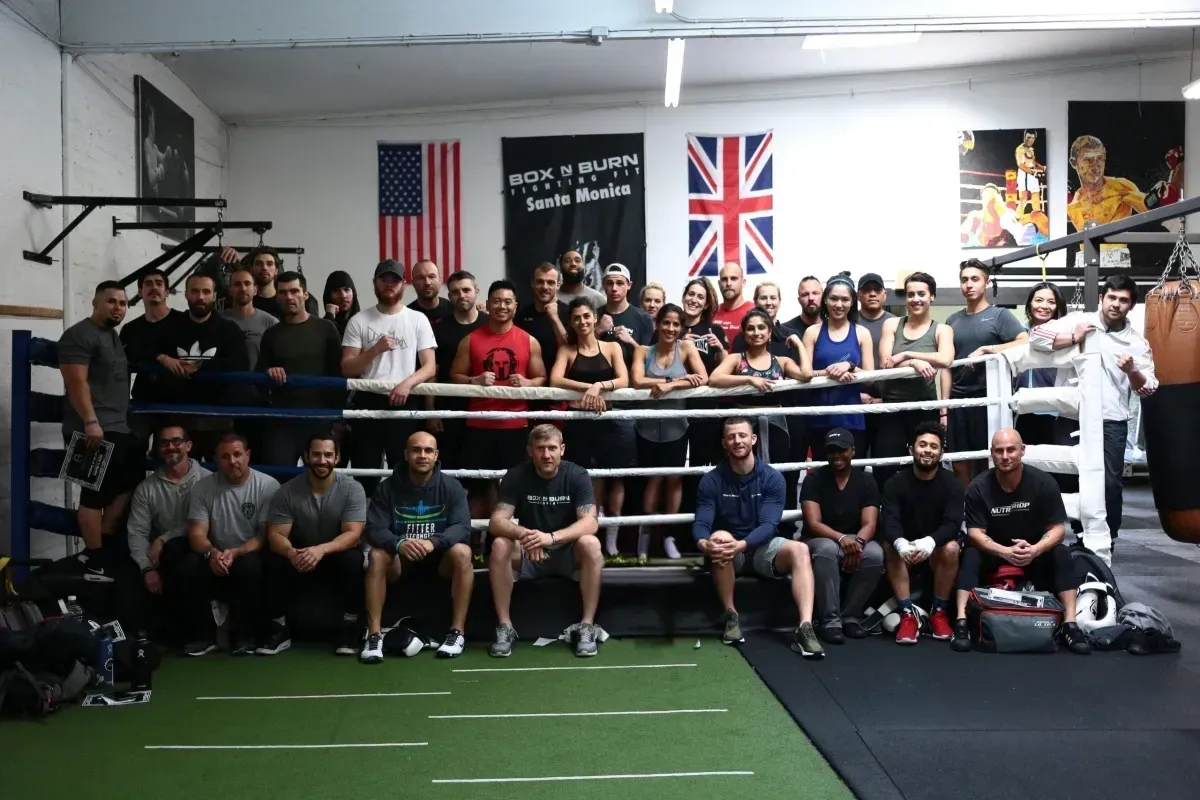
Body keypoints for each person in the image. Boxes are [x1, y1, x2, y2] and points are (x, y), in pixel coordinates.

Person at [1030, 273, 1157, 545]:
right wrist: (1071, 337)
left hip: (1110, 420)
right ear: (1101, 298)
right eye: (1111, 297)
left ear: (1131, 306)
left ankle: (1107, 538)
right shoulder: (1078, 321)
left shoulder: (1136, 342)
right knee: (1066, 477)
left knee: (1109, 483)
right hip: (1071, 416)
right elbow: (1036, 336)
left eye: (1123, 300)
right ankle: (1079, 534)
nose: (1116, 304)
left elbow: (1148, 388)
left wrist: (1132, 371)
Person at [951, 429, 1092, 655]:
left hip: (1033, 555)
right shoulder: (978, 486)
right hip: (995, 554)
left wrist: (1036, 549)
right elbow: (975, 533)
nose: (1005, 456)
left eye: (1011, 450)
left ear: (1022, 450)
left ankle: (1070, 624)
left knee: (1062, 553)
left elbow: (1057, 529)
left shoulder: (1043, 482)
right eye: (999, 451)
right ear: (992, 454)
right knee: (970, 553)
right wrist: (1005, 552)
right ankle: (961, 623)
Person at [692, 417, 824, 659]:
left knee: (800, 550)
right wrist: (704, 544)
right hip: (730, 555)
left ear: (753, 439)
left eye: (742, 435)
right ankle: (731, 616)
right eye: (731, 437)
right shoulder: (711, 480)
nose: (737, 441)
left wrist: (741, 545)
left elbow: (769, 524)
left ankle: (805, 627)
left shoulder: (773, 478)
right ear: (724, 443)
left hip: (763, 548)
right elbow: (701, 523)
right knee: (719, 538)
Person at [487, 425, 603, 658]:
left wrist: (550, 538)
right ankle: (504, 627)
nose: (547, 455)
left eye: (552, 448)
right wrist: (528, 537)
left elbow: (591, 523)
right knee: (500, 544)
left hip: (566, 551)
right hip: (529, 552)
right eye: (540, 449)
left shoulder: (577, 475)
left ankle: (587, 625)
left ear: (562, 449)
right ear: (530, 451)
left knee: (591, 543)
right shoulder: (517, 475)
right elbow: (496, 521)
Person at [362, 432, 474, 663]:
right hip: (400, 562)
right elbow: (374, 529)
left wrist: (433, 542)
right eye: (416, 450)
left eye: (428, 451)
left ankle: (457, 633)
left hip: (439, 560)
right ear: (406, 454)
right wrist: (399, 542)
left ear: (436, 456)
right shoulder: (387, 488)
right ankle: (373, 636)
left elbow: (462, 527)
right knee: (376, 555)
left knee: (463, 552)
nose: (422, 455)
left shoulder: (451, 487)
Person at [58, 281, 145, 571]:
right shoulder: (78, 335)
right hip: (89, 429)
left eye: (122, 303)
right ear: (95, 303)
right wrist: (90, 421)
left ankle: (101, 547)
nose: (118, 308)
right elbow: (75, 381)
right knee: (93, 497)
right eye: (111, 302)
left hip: (120, 428)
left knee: (129, 486)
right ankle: (95, 559)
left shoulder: (114, 337)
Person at [262, 433, 367, 657]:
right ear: (306, 457)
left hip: (333, 555)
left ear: (337, 458)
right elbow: (276, 535)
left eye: (328, 455)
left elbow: (353, 534)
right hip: (300, 556)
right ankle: (279, 629)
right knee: (273, 558)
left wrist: (320, 550)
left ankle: (349, 627)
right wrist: (291, 553)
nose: (322, 460)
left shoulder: (352, 489)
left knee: (354, 557)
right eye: (316, 454)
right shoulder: (287, 491)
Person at [451, 279, 547, 521]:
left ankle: (505, 546)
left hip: (514, 426)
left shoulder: (528, 340)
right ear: (487, 304)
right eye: (496, 301)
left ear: (515, 306)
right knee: (477, 489)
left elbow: (542, 378)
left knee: (513, 489)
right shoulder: (471, 340)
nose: (501, 306)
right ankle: (475, 546)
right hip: (479, 426)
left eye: (507, 302)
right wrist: (475, 380)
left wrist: (528, 383)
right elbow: (455, 376)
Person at [341, 259, 438, 496]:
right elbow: (347, 368)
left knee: (404, 467)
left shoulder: (417, 319)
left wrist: (406, 384)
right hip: (368, 401)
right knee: (365, 469)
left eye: (395, 280)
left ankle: (402, 523)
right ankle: (364, 526)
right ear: (375, 283)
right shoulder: (359, 320)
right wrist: (374, 350)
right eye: (384, 279)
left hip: (404, 400)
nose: (389, 284)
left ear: (403, 284)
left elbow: (430, 366)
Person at [181, 433, 280, 656]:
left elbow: (264, 536)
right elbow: (197, 533)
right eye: (225, 456)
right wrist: (212, 553)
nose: (232, 461)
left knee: (251, 566)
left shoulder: (268, 485)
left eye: (237, 454)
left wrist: (235, 553)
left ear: (248, 455)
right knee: (189, 564)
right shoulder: (203, 488)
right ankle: (203, 636)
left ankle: (244, 637)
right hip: (216, 551)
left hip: (249, 551)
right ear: (216, 459)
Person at [550, 297, 632, 558]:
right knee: (586, 480)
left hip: (608, 421)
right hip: (578, 423)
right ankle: (588, 536)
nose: (582, 322)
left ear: (595, 318)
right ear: (571, 323)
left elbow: (623, 379)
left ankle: (612, 540)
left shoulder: (611, 348)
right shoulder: (567, 350)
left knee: (615, 479)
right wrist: (589, 387)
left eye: (586, 316)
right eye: (577, 318)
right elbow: (555, 379)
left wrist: (601, 386)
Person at [632, 303, 708, 561]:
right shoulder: (644, 350)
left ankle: (669, 536)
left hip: (677, 427)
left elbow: (703, 377)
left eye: (676, 324)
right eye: (667, 323)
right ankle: (645, 538)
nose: (671, 328)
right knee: (652, 480)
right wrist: (670, 383)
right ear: (658, 324)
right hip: (647, 428)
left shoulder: (686, 347)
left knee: (673, 480)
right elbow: (637, 380)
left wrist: (672, 385)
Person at [879, 421, 964, 645]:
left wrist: (931, 541)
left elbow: (953, 523)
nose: (927, 450)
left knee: (952, 547)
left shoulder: (952, 484)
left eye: (934, 446)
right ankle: (908, 614)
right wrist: (901, 543)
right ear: (911, 449)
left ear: (941, 452)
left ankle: (939, 612)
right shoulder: (895, 483)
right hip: (905, 553)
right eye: (922, 445)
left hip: (935, 551)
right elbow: (889, 519)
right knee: (889, 546)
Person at [946, 259, 1027, 484]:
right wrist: (944, 406)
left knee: (986, 459)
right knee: (959, 461)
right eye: (964, 280)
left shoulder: (1000, 316)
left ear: (986, 283)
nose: (969, 285)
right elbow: (946, 365)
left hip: (989, 399)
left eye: (975, 279)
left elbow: (1024, 341)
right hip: (958, 400)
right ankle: (964, 511)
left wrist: (987, 349)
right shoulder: (952, 320)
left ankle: (985, 509)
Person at [124, 423, 211, 633]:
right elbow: (137, 532)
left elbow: (199, 525)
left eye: (177, 441)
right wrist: (147, 569)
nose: (170, 446)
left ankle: (192, 633)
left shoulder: (209, 481)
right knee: (126, 575)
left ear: (188, 445)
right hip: (160, 556)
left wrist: (163, 539)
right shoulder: (146, 488)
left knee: (183, 560)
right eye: (164, 442)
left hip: (203, 548)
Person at [153, 272, 251, 459]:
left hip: (218, 417)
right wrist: (163, 358)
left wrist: (200, 367)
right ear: (186, 294)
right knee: (180, 475)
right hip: (179, 417)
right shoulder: (169, 328)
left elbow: (240, 363)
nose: (200, 297)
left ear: (214, 296)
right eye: (195, 291)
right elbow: (142, 350)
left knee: (219, 475)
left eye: (206, 292)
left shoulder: (228, 329)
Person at [801, 428, 883, 644]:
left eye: (842, 450)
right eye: (831, 451)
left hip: (855, 539)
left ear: (853, 451)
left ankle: (850, 616)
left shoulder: (866, 480)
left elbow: (870, 522)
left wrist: (857, 542)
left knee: (875, 554)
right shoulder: (814, 479)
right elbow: (813, 523)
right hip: (822, 538)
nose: (837, 456)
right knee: (826, 550)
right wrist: (841, 539)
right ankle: (830, 621)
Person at [874, 272, 955, 489]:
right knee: (885, 467)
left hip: (924, 407)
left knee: (924, 468)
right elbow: (885, 363)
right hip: (892, 408)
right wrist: (914, 364)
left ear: (932, 297)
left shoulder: (942, 329)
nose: (916, 299)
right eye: (911, 294)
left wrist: (908, 355)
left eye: (921, 293)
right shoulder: (892, 325)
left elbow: (946, 359)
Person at [257, 271, 344, 466]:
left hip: (319, 417)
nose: (289, 297)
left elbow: (337, 374)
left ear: (305, 294)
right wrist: (269, 371)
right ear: (277, 296)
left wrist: (336, 418)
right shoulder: (271, 334)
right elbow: (260, 374)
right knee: (279, 476)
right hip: (283, 419)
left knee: (319, 477)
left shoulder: (326, 329)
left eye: (294, 291)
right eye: (283, 292)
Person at [709, 309, 812, 467]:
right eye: (750, 328)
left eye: (761, 327)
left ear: (770, 332)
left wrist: (798, 343)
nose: (756, 332)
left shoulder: (782, 361)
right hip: (743, 426)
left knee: (776, 469)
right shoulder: (736, 358)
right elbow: (714, 379)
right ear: (744, 334)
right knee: (742, 469)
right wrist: (749, 379)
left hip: (776, 424)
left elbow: (806, 374)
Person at [802, 274, 874, 456]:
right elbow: (804, 373)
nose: (838, 304)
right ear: (825, 299)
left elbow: (871, 379)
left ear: (852, 302)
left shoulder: (862, 333)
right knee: (822, 473)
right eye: (834, 298)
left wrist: (849, 366)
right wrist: (831, 373)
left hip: (850, 415)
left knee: (852, 473)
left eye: (844, 299)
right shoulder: (812, 332)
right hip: (819, 415)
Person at [429, 270, 488, 469]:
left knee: (482, 470)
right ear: (449, 296)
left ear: (477, 291)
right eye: (455, 291)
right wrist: (430, 411)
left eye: (466, 290)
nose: (461, 295)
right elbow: (432, 372)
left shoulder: (490, 324)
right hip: (449, 405)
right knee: (449, 465)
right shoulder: (438, 328)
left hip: (484, 407)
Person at [678, 277, 728, 471]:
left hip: (704, 405)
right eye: (691, 294)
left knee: (702, 463)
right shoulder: (671, 326)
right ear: (683, 297)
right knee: (674, 465)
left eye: (700, 297)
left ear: (706, 303)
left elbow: (725, 369)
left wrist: (720, 349)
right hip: (675, 404)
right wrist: (680, 342)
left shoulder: (713, 330)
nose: (694, 300)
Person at [121, 269, 184, 413]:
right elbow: (125, 355)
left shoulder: (184, 322)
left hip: (178, 402)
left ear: (167, 292)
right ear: (140, 292)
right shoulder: (130, 329)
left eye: (159, 283)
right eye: (148, 284)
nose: (154, 287)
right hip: (143, 401)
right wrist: (161, 358)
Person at [1014, 282, 1067, 447]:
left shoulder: (1066, 334)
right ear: (1030, 304)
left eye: (1051, 302)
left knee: (1057, 464)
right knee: (1026, 463)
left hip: (1056, 410)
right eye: (1039, 300)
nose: (1044, 306)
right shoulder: (1018, 334)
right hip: (1023, 409)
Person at [1066, 135, 1148, 232]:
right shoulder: (1073, 205)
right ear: (1074, 163)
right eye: (1088, 159)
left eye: (1100, 158)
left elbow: (1154, 212)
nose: (1095, 165)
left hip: (1118, 246)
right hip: (1087, 247)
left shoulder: (1121, 188)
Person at [783, 275, 824, 465]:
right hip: (796, 409)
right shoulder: (785, 330)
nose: (811, 298)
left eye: (815, 293)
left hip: (825, 407)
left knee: (825, 466)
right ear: (799, 299)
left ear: (823, 296)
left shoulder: (833, 328)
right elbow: (787, 369)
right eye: (805, 294)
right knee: (792, 466)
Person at [856, 272, 897, 459]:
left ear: (884, 294)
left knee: (886, 463)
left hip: (887, 402)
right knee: (856, 462)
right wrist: (855, 395)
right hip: (855, 401)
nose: (872, 294)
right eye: (866, 290)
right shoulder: (848, 323)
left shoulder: (895, 323)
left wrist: (887, 398)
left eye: (877, 290)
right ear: (858, 295)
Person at [514, 262, 570, 381]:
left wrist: (555, 318)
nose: (545, 287)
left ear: (558, 285)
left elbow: (570, 351)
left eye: (550, 282)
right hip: (529, 384)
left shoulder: (570, 313)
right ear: (532, 283)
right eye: (540, 281)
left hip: (561, 384)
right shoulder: (522, 315)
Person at [598, 263, 655, 366]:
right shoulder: (593, 315)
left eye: (619, 283)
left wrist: (630, 341)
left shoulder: (643, 318)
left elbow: (651, 361)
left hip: (631, 379)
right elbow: (578, 352)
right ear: (603, 285)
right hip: (597, 378)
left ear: (629, 285)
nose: (614, 288)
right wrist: (598, 331)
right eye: (610, 283)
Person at [221, 267, 278, 368]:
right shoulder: (218, 320)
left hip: (258, 382)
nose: (243, 289)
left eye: (247, 284)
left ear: (255, 290)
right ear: (230, 290)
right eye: (237, 284)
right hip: (226, 382)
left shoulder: (271, 323)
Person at [730, 281, 801, 356]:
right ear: (755, 302)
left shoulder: (791, 335)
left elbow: (800, 366)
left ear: (779, 302)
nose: (768, 302)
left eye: (773, 298)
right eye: (763, 298)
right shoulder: (742, 338)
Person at [711, 262, 756, 342]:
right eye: (724, 279)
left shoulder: (754, 311)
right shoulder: (712, 312)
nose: (728, 284)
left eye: (734, 278)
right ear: (719, 283)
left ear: (743, 282)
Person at [408, 259, 451, 324]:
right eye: (420, 278)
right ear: (413, 283)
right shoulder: (406, 316)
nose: (427, 283)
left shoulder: (454, 311)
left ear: (440, 280)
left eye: (431, 277)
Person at [322, 270, 360, 338]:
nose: (343, 296)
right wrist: (329, 318)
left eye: (346, 290)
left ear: (353, 293)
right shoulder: (320, 327)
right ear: (329, 296)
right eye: (336, 291)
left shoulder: (364, 323)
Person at [1015, 130, 1046, 215]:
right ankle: (1017, 219)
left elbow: (1034, 163)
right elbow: (1021, 165)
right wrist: (1033, 173)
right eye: (1028, 137)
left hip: (1032, 174)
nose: (1030, 140)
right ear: (1024, 137)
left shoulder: (1032, 150)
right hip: (1024, 174)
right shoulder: (1020, 149)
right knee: (1023, 199)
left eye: (1032, 138)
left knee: (1036, 199)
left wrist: (1043, 168)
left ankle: (1038, 220)